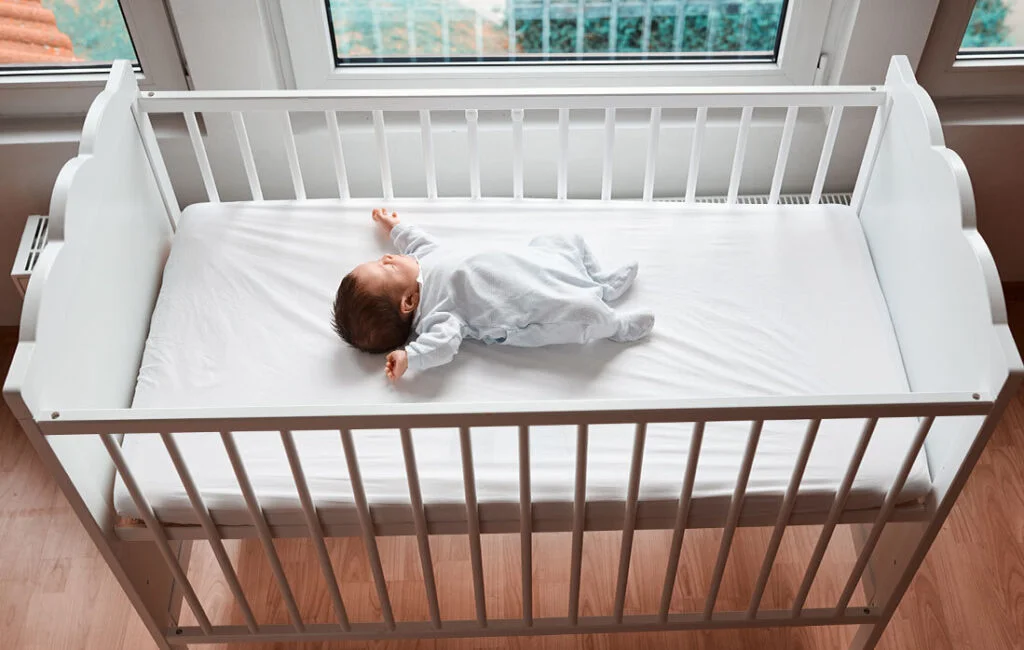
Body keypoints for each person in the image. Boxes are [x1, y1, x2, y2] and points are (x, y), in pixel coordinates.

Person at [333, 208, 654, 380]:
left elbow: (416, 243)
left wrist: (397, 228)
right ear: (408, 302)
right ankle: (617, 326)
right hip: (531, 303)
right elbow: (441, 347)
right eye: (385, 267)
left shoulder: (425, 259)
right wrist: (410, 357)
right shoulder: (439, 314)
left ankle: (601, 283)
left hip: (531, 263)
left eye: (380, 258)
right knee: (584, 313)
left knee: (565, 239)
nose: (387, 257)